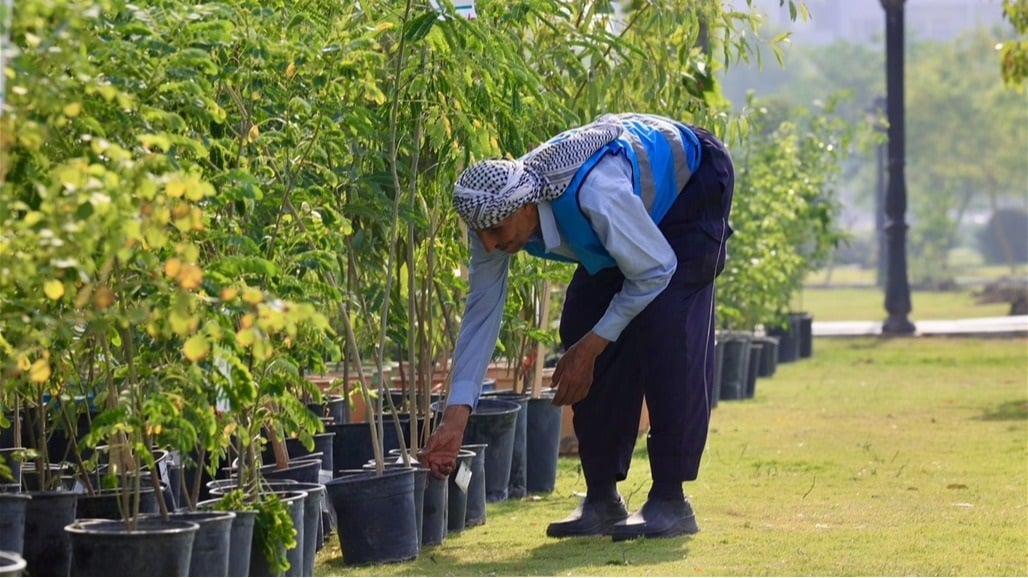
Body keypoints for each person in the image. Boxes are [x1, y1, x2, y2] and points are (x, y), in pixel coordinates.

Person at [420, 112, 735, 541]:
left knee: (666, 327)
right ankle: (602, 499)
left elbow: (656, 269)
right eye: (480, 235)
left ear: (527, 207)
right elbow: (480, 317)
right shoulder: (493, 216)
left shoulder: (595, 195)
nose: (490, 244)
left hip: (691, 187)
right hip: (631, 213)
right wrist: (455, 421)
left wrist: (591, 349)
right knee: (583, 321)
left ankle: (671, 499)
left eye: (496, 231)